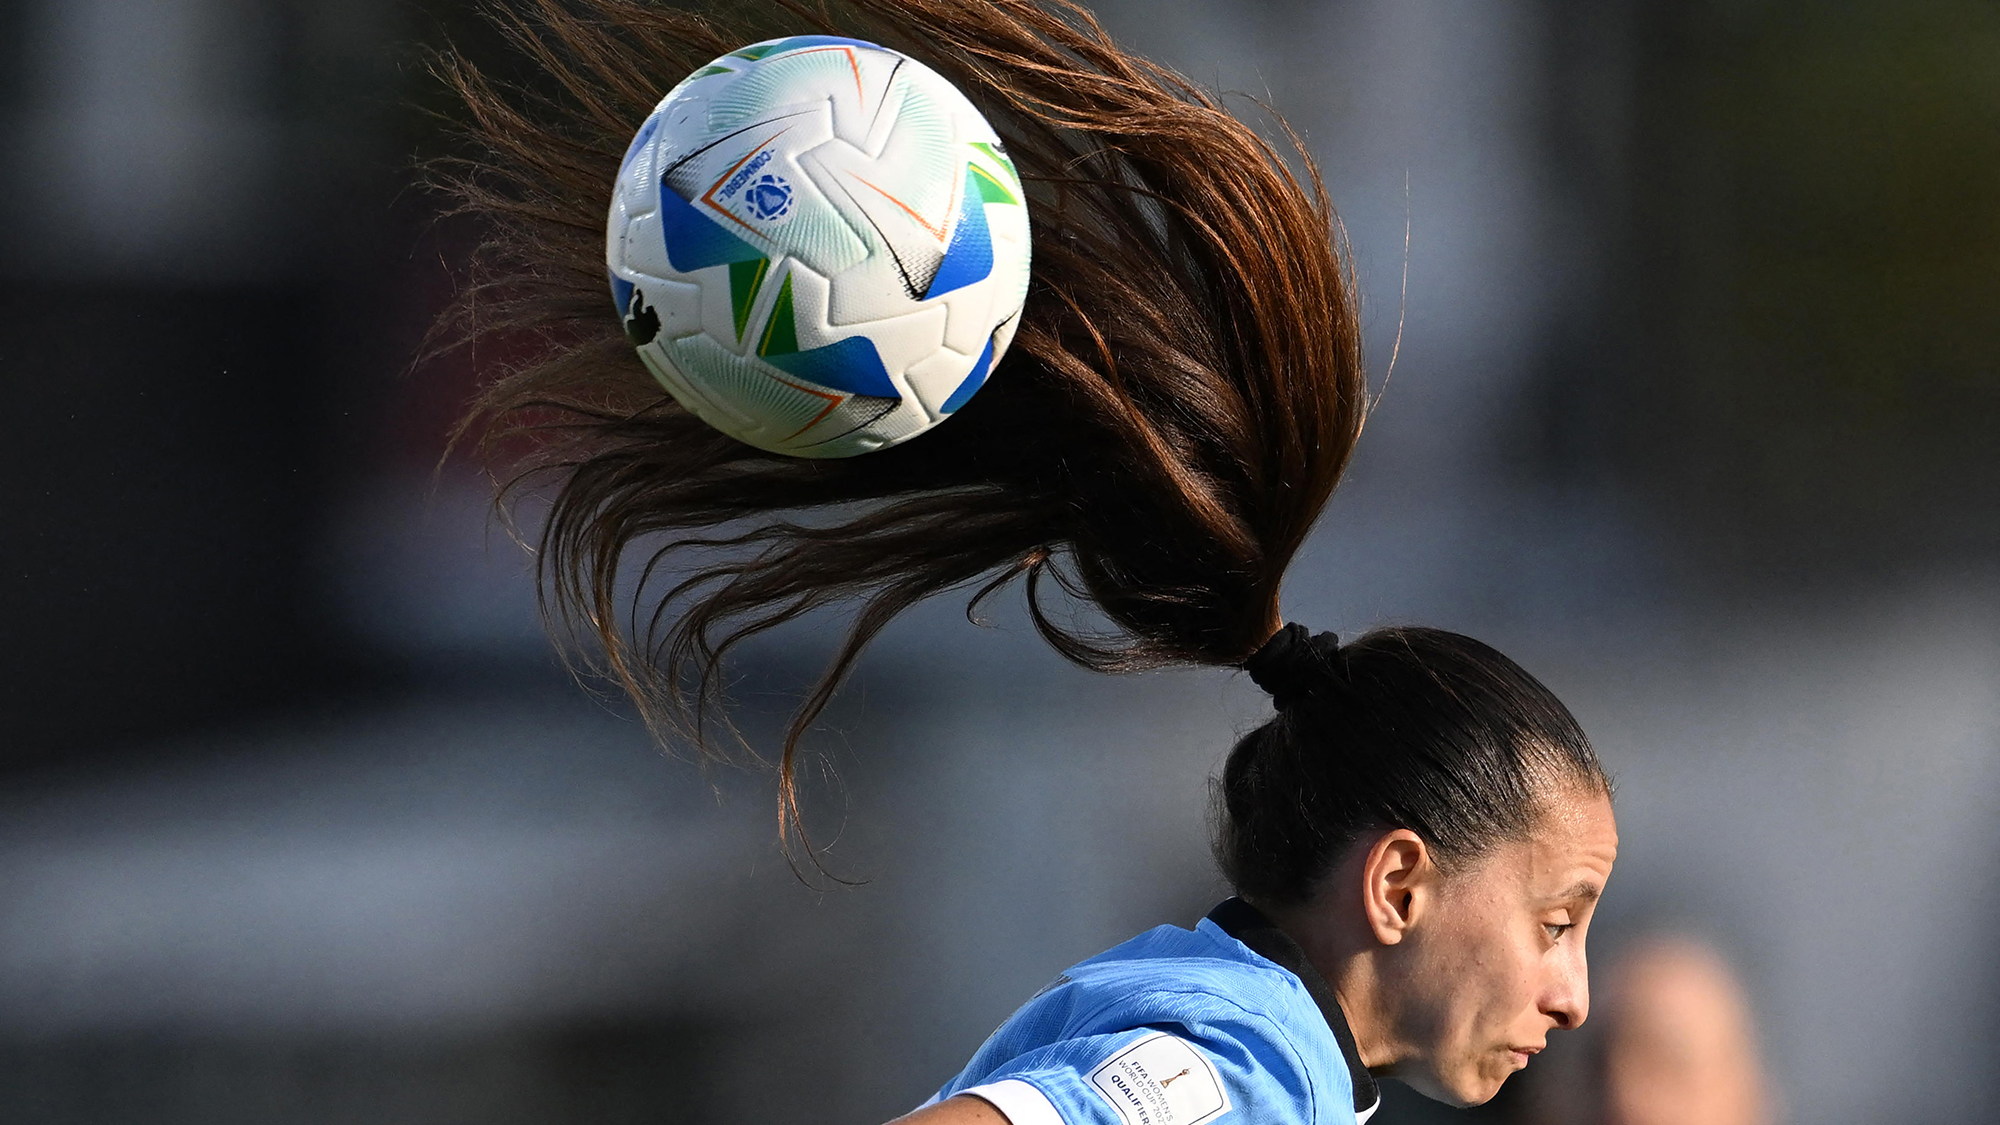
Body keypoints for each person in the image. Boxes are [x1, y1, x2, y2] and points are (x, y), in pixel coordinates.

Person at [435, 2, 1617, 1122]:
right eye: (1555, 922)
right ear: (1397, 886)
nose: (1573, 993)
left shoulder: (1238, 1019)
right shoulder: (1246, 1071)